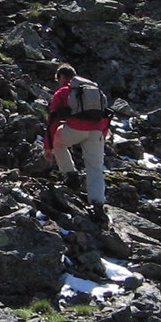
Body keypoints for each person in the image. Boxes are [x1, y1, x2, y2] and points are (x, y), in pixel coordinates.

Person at [45, 63, 110, 216]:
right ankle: (98, 204)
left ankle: (70, 175)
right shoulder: (93, 90)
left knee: (58, 141)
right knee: (95, 167)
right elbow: (106, 115)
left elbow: (53, 121)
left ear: (61, 76)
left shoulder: (63, 91)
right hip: (97, 131)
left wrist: (48, 148)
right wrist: (103, 136)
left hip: (76, 128)